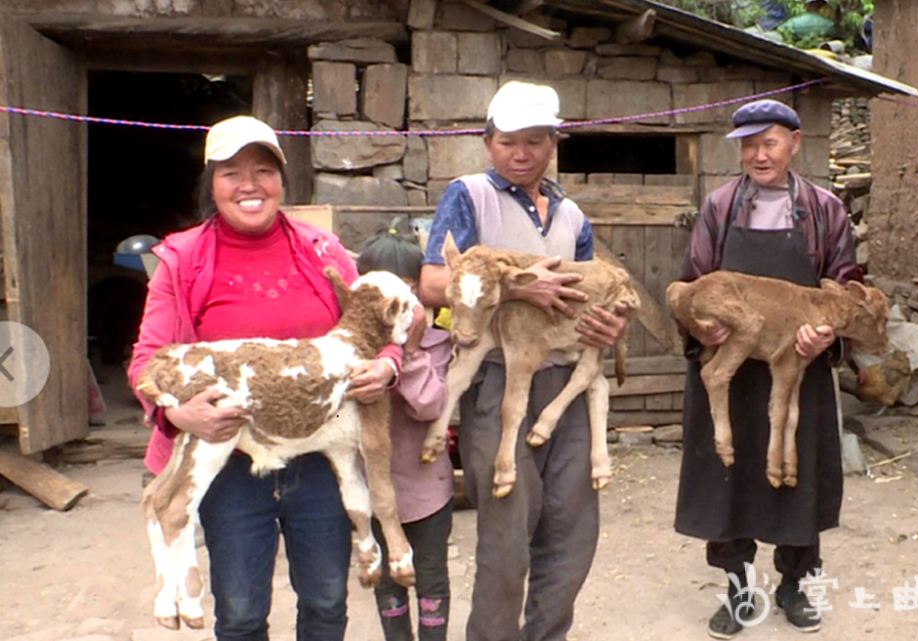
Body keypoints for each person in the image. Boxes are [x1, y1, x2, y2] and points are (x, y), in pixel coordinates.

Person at [128, 115, 405, 641]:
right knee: (239, 611)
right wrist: (177, 412)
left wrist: (386, 366)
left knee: (326, 601)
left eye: (263, 170)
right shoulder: (183, 259)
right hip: (230, 459)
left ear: (281, 180)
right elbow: (147, 360)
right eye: (232, 172)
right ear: (212, 184)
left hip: (318, 454)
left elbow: (378, 326)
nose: (250, 185)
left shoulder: (322, 250)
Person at [419, 81, 628, 641]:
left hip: (567, 392)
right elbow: (435, 283)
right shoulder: (468, 196)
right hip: (498, 381)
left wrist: (608, 326)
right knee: (507, 541)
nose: (520, 153)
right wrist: (514, 290)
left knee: (572, 534)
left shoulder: (572, 215)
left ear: (552, 143)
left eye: (534, 141)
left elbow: (585, 294)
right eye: (508, 141)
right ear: (488, 143)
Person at [672, 99, 862, 639]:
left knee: (797, 479)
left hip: (796, 365)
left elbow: (844, 286)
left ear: (794, 144)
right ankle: (738, 590)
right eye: (748, 145)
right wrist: (701, 326)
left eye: (770, 142)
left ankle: (795, 585)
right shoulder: (719, 206)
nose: (759, 154)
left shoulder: (825, 210)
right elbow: (691, 283)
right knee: (726, 480)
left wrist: (823, 334)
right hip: (729, 368)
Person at [356, 225, 454, 641]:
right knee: (388, 586)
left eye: (410, 291)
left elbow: (431, 407)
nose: (399, 304)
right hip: (372, 494)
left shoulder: (439, 343)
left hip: (428, 490)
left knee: (430, 581)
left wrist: (409, 353)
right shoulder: (353, 348)